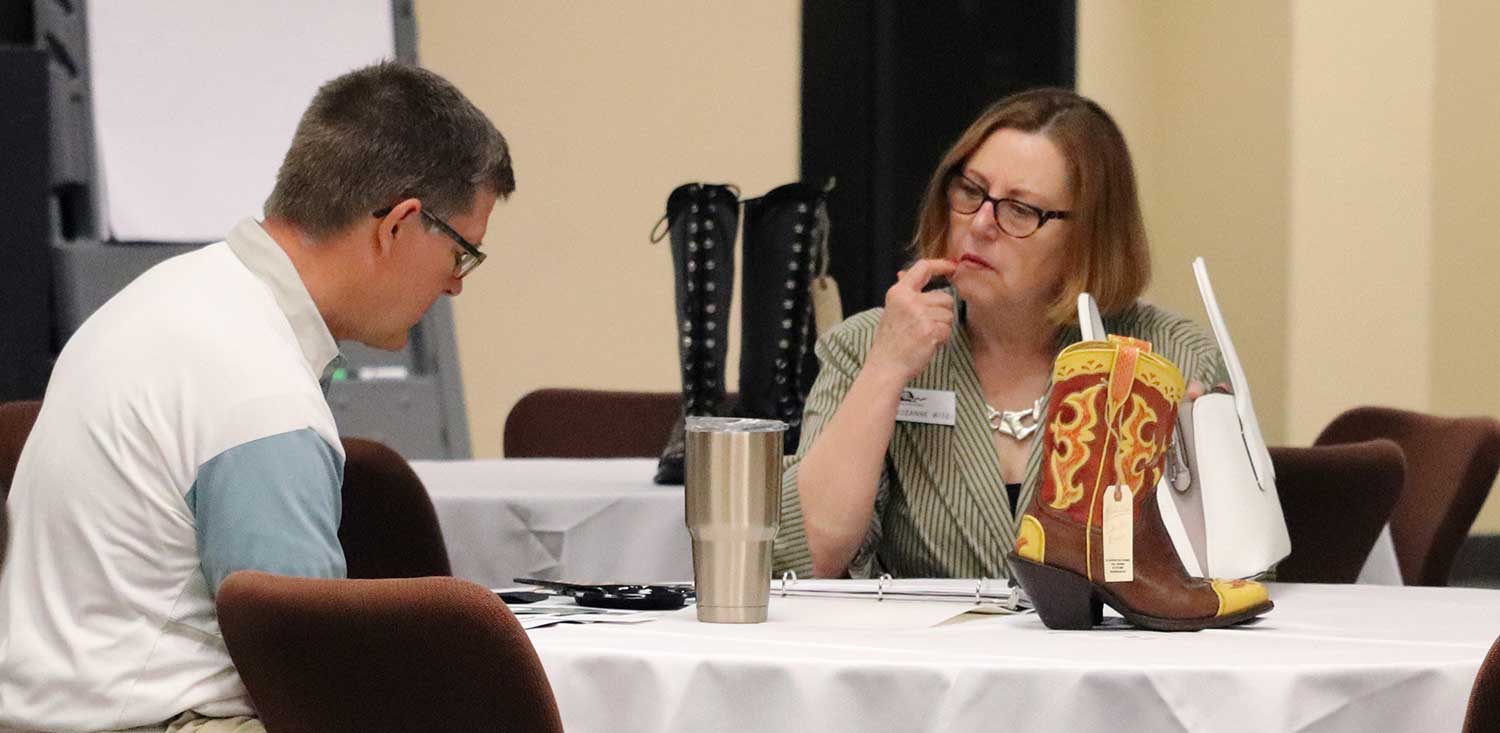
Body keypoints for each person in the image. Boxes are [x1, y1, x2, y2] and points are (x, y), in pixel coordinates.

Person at [0, 62, 513, 733]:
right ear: (399, 226)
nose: (455, 288)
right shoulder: (261, 393)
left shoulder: (161, 300)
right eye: (463, 254)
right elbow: (312, 680)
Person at [772, 88, 1225, 580]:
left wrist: (1196, 482)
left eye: (1020, 210)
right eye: (971, 191)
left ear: (1088, 237)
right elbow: (806, 555)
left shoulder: (1170, 354)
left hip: (1109, 653)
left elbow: (1220, 567)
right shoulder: (865, 346)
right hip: (924, 654)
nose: (981, 224)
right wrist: (886, 370)